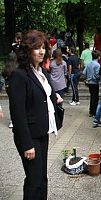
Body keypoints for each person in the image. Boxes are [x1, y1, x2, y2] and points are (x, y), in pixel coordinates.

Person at [8, 30, 62, 200]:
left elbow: (45, 95)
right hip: (29, 136)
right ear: (27, 50)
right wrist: (26, 144)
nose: (41, 51)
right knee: (34, 180)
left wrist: (55, 98)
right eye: (36, 48)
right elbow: (17, 113)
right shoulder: (19, 75)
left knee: (42, 178)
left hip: (42, 132)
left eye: (43, 47)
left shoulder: (42, 73)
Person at [2, 52, 18, 128]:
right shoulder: (17, 66)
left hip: (8, 87)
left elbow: (3, 74)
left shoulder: (6, 66)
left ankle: (12, 121)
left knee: (11, 103)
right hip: (16, 86)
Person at [83, 50, 101, 119]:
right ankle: (94, 111)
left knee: (92, 96)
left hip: (89, 82)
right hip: (95, 82)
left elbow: (84, 72)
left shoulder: (89, 63)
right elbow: (97, 75)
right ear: (98, 57)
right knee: (95, 97)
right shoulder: (97, 65)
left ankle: (91, 111)